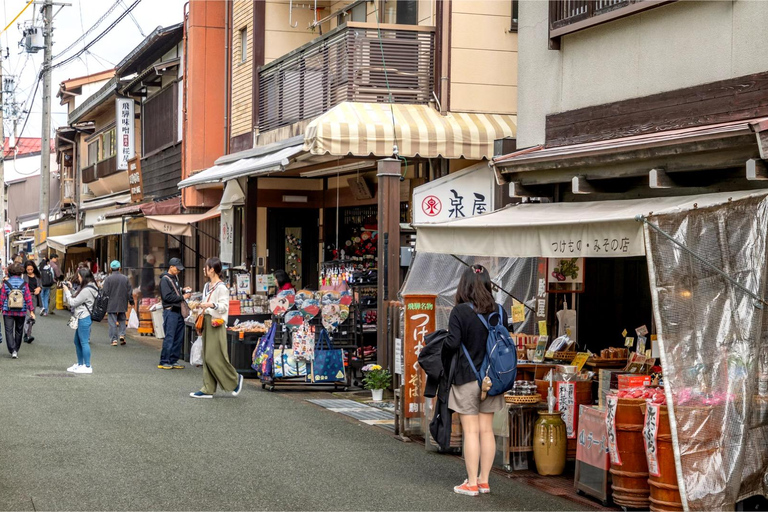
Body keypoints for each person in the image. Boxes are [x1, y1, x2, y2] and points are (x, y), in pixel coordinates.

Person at [443, 264, 508, 496]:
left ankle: (470, 483)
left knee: (470, 431)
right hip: (493, 378)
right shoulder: (499, 311)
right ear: (488, 284)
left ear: (464, 285)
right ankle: (484, 480)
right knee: (486, 430)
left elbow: (451, 343)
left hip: (467, 378)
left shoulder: (459, 312)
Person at [190, 257, 243, 399]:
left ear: (212, 269)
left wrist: (210, 305)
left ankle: (235, 379)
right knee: (207, 356)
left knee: (213, 356)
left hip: (216, 323)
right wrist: (201, 305)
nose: (204, 269)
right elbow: (206, 302)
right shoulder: (207, 286)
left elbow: (224, 307)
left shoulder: (222, 288)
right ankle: (208, 388)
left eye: (205, 267)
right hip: (207, 321)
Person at [62, 268, 99, 374]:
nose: (78, 279)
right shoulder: (91, 286)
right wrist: (72, 290)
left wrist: (67, 292)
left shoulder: (87, 289)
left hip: (84, 317)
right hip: (83, 316)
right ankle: (80, 364)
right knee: (77, 341)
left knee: (83, 342)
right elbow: (79, 298)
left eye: (79, 277)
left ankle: (87, 366)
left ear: (83, 277)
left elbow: (73, 302)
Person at [158, 257, 190, 370]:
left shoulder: (174, 278)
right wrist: (183, 296)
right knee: (170, 336)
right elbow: (167, 297)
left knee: (178, 337)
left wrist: (182, 290)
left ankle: (173, 359)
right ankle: (164, 360)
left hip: (177, 311)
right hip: (170, 311)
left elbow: (173, 292)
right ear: (171, 267)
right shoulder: (165, 279)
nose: (178, 271)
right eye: (177, 269)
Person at [0, 263, 35, 358]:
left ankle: (12, 350)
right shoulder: (24, 283)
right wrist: (31, 311)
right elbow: (28, 298)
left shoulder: (6, 283)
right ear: (20, 272)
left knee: (8, 331)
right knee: (19, 330)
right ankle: (16, 349)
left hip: (8, 311)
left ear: (10, 272)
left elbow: (2, 298)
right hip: (21, 311)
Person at [102, 260, 134, 347]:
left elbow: (105, 292)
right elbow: (129, 292)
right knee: (122, 319)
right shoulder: (125, 278)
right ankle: (122, 335)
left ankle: (114, 340)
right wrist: (131, 301)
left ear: (110, 268)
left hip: (111, 303)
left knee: (112, 322)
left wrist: (104, 305)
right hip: (122, 302)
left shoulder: (108, 279)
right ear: (120, 268)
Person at [22, 260, 42, 344]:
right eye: (28, 270)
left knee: (31, 316)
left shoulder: (37, 276)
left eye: (31, 269)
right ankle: (27, 334)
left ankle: (27, 334)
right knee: (27, 315)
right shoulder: (23, 276)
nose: (30, 271)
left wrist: (39, 288)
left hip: (34, 297)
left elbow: (40, 285)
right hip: (25, 297)